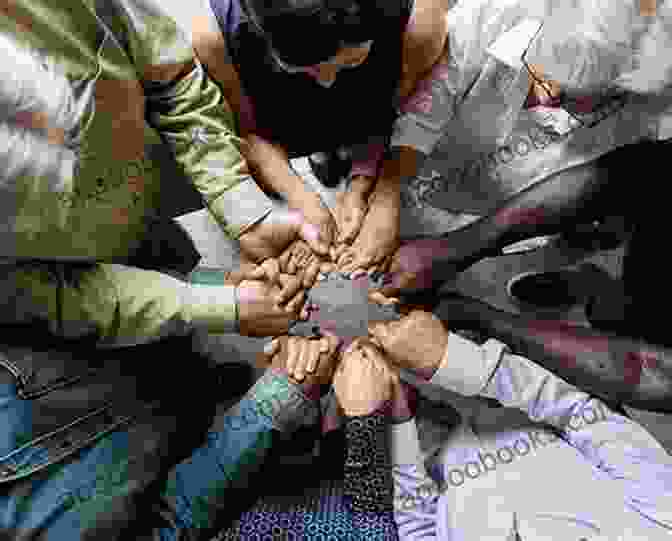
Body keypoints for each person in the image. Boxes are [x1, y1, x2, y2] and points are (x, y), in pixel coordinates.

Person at [0, 0, 326, 347]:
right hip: (57, 294)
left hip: (145, 206)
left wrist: (243, 210)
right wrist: (209, 307)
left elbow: (174, 80)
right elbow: (41, 300)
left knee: (170, 256)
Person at [335, 0, 672, 280]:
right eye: (544, 74)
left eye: (574, 97)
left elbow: (612, 180)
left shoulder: (653, 96)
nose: (549, 95)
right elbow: (425, 110)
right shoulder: (494, 11)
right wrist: (385, 201)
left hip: (524, 237)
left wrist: (461, 249)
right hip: (425, 183)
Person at [365, 309, 672, 539]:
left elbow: (419, 531)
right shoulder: (660, 520)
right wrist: (457, 361)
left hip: (422, 453)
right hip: (494, 390)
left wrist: (401, 426)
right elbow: (579, 412)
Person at [188, 0, 449, 260]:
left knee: (361, 116)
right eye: (305, 68)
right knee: (310, 129)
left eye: (351, 60)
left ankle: (342, 148)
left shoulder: (421, 23)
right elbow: (251, 133)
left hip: (371, 105)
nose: (327, 81)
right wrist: (306, 203)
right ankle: (323, 150)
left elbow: (401, 110)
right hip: (285, 112)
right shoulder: (214, 37)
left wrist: (370, 186)